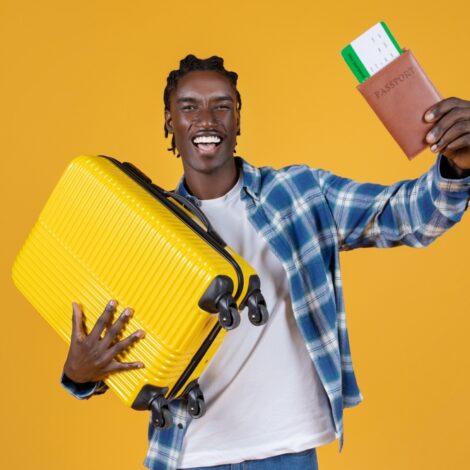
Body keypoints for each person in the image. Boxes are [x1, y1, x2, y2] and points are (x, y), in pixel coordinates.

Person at [61, 55, 470, 470]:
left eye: (222, 105)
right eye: (189, 106)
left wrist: (457, 166)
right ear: (169, 122)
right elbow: (118, 340)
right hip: (192, 453)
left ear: (238, 119)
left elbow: (408, 217)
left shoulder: (299, 194)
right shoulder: (147, 227)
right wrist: (80, 377)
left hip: (288, 450)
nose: (206, 118)